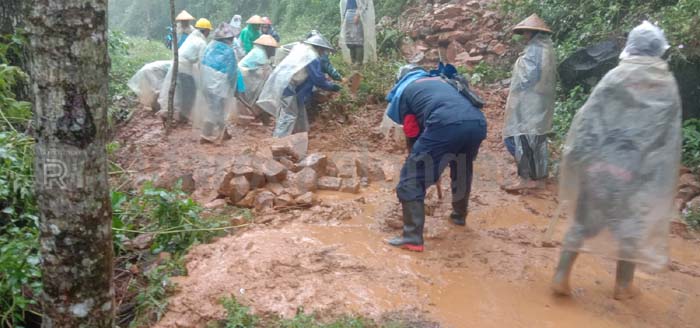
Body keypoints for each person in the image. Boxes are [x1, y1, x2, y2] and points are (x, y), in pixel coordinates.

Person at [551, 21, 681, 300]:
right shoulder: (666, 86)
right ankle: (623, 286)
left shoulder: (615, 78)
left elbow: (588, 122)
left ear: (630, 46)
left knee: (582, 221)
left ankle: (561, 276)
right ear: (659, 50)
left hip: (600, 166)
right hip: (636, 171)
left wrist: (578, 159)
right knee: (630, 227)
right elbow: (666, 139)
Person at [386, 64, 487, 252]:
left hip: (445, 122)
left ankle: (412, 238)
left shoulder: (406, 89)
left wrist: (417, 159)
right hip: (477, 123)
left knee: (412, 178)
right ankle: (459, 215)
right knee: (462, 168)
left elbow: (412, 130)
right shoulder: (441, 81)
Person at [502, 14, 556, 191]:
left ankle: (524, 178)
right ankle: (539, 179)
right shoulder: (547, 49)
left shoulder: (534, 50)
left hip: (529, 101)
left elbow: (527, 78)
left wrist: (516, 91)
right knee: (538, 138)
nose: (524, 35)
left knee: (519, 137)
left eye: (526, 32)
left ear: (532, 33)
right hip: (541, 102)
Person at [256, 32, 342, 137]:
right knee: (289, 113)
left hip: (283, 80)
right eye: (323, 50)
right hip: (287, 84)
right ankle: (279, 140)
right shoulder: (312, 56)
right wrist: (332, 87)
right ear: (319, 48)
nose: (323, 52)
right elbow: (318, 79)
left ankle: (300, 134)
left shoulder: (302, 48)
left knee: (298, 108)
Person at [158, 18, 213, 122]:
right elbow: (202, 63)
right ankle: (183, 117)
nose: (209, 33)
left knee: (178, 92)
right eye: (209, 31)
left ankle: (170, 113)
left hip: (177, 65)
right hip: (184, 68)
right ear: (206, 31)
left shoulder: (192, 37)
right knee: (190, 93)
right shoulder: (201, 42)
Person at [198, 23, 240, 143]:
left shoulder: (210, 46)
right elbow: (232, 73)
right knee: (216, 109)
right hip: (219, 85)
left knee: (215, 108)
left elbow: (202, 63)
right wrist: (234, 88)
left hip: (206, 83)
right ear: (228, 39)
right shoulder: (229, 51)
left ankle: (224, 132)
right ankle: (205, 135)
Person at [238, 35, 280, 122]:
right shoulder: (261, 54)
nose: (274, 51)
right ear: (268, 48)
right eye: (272, 48)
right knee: (260, 93)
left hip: (244, 75)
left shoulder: (259, 51)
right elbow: (265, 71)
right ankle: (263, 117)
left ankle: (259, 115)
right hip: (244, 76)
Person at [339, 0, 377, 67]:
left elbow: (364, 3)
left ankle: (358, 62)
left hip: (357, 14)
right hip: (348, 14)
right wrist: (344, 16)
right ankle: (353, 61)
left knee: (358, 40)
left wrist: (358, 13)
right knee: (349, 40)